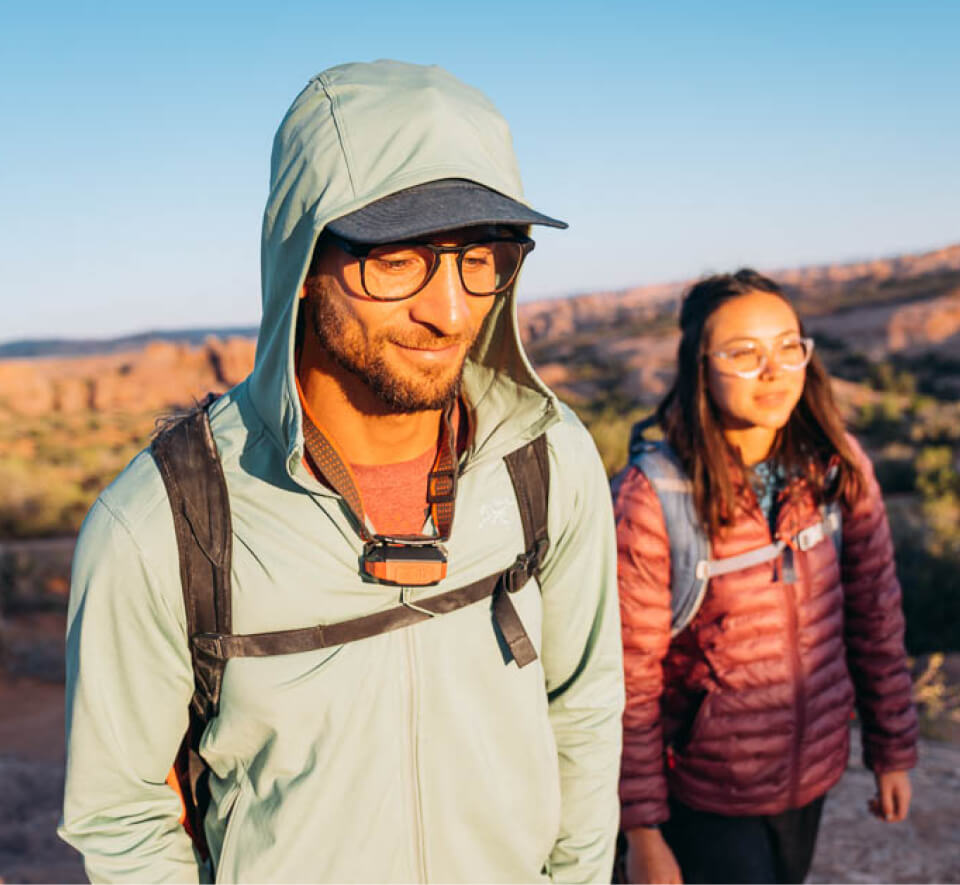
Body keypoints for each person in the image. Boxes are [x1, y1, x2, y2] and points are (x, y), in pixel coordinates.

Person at [59, 60, 623, 883]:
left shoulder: (545, 456)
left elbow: (583, 710)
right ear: (301, 257)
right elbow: (121, 818)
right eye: (397, 260)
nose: (451, 311)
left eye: (481, 256)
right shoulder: (164, 523)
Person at [613, 269, 918, 884]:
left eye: (787, 346)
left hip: (812, 774)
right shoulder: (653, 498)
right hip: (705, 794)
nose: (773, 370)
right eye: (744, 353)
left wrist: (891, 751)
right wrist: (642, 830)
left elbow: (875, 615)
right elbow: (628, 678)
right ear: (700, 364)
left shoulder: (837, 468)